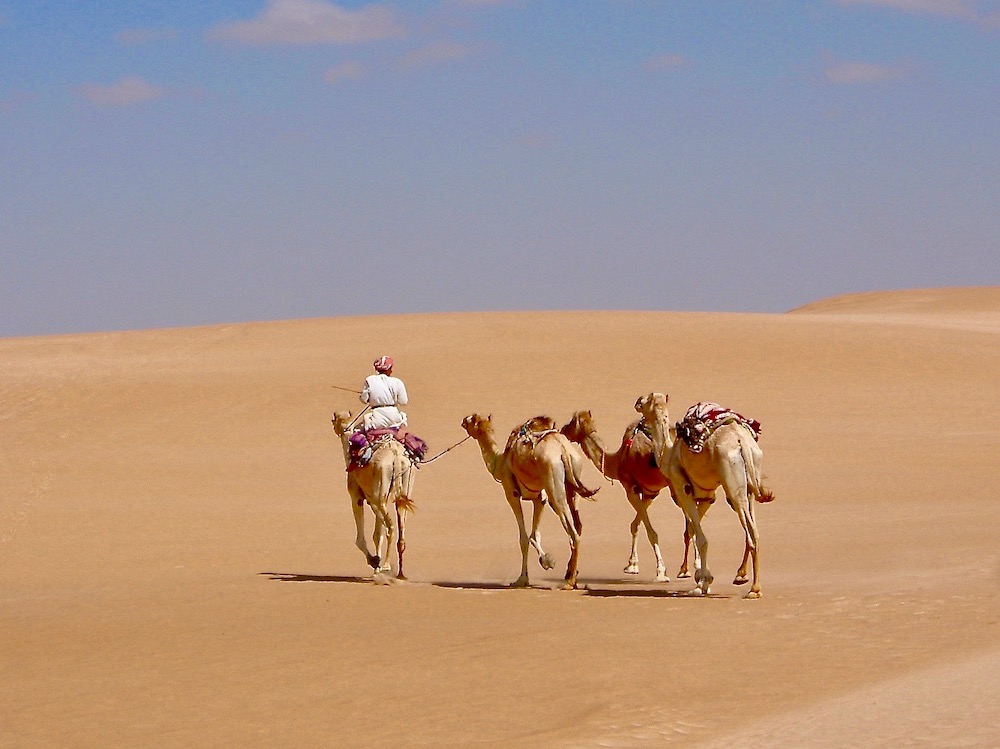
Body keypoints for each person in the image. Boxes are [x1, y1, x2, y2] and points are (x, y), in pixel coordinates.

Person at [360, 356, 408, 430]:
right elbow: (403, 402)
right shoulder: (397, 382)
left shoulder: (369, 380)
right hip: (395, 418)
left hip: (377, 419)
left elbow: (364, 400)